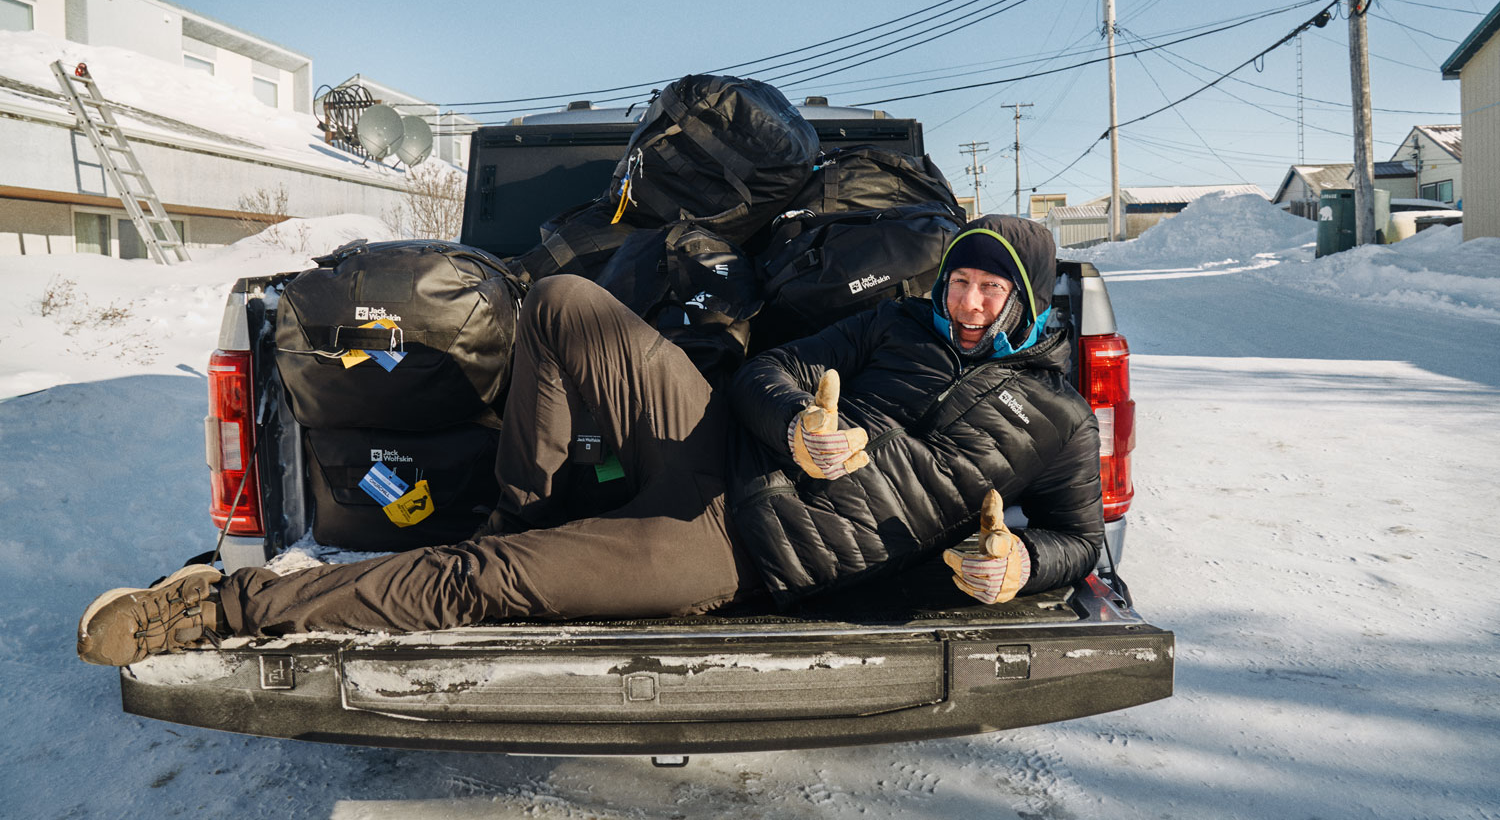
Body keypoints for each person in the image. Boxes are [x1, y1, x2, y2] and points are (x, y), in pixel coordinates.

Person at [77, 214, 1103, 667]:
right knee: (564, 299)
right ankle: (526, 510)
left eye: (991, 286)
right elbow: (762, 372)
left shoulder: (1057, 418)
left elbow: (1081, 538)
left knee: (476, 580)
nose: (968, 301)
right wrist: (797, 422)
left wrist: (1020, 563)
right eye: (961, 279)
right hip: (719, 448)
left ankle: (214, 608)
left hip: (738, 552)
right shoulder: (894, 325)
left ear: (1025, 296)